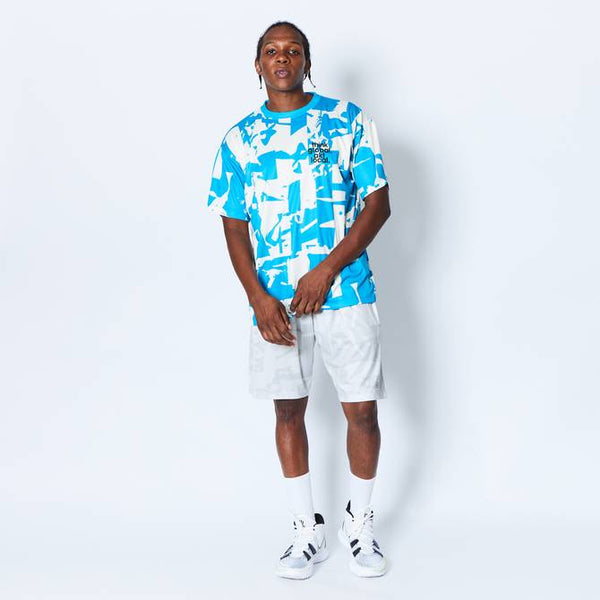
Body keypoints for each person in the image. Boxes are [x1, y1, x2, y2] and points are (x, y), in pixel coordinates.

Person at [206, 20, 391, 579]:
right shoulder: (239, 140)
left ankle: (360, 524)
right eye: (271, 50)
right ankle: (305, 529)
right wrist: (258, 298)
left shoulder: (347, 120)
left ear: (306, 62)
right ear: (258, 64)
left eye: (292, 50)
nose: (282, 58)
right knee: (288, 409)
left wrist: (326, 272)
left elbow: (378, 204)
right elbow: (233, 225)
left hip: (347, 291)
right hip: (276, 305)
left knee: (361, 410)